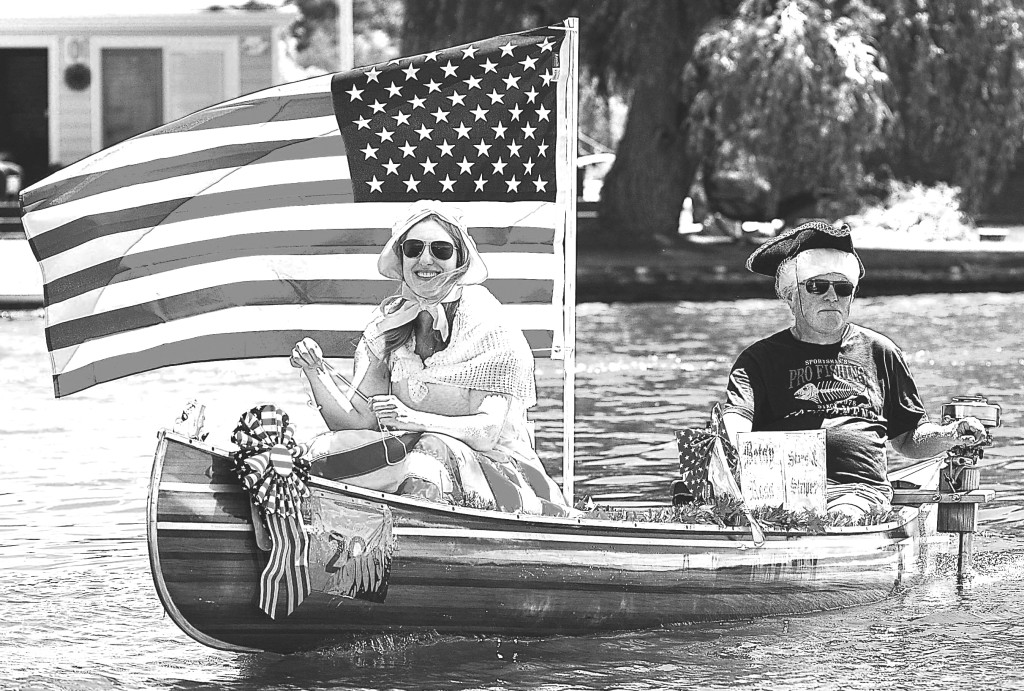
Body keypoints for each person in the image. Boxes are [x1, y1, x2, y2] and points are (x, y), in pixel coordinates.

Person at [290, 200, 572, 517]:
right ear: (402, 257)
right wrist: (315, 373)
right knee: (320, 451)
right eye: (413, 248)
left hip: (502, 476)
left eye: (440, 249)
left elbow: (486, 432)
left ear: (460, 261)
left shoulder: (491, 329)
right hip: (418, 461)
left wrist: (412, 419)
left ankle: (413, 539)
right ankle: (311, 526)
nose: (425, 259)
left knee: (432, 449)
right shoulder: (386, 330)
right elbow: (358, 422)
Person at [721, 220, 986, 519]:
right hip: (778, 496)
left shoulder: (881, 351)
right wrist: (728, 447)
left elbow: (909, 438)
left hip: (858, 493)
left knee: (843, 515)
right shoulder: (757, 359)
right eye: (817, 286)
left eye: (843, 288)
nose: (832, 296)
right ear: (791, 296)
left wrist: (951, 434)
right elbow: (735, 420)